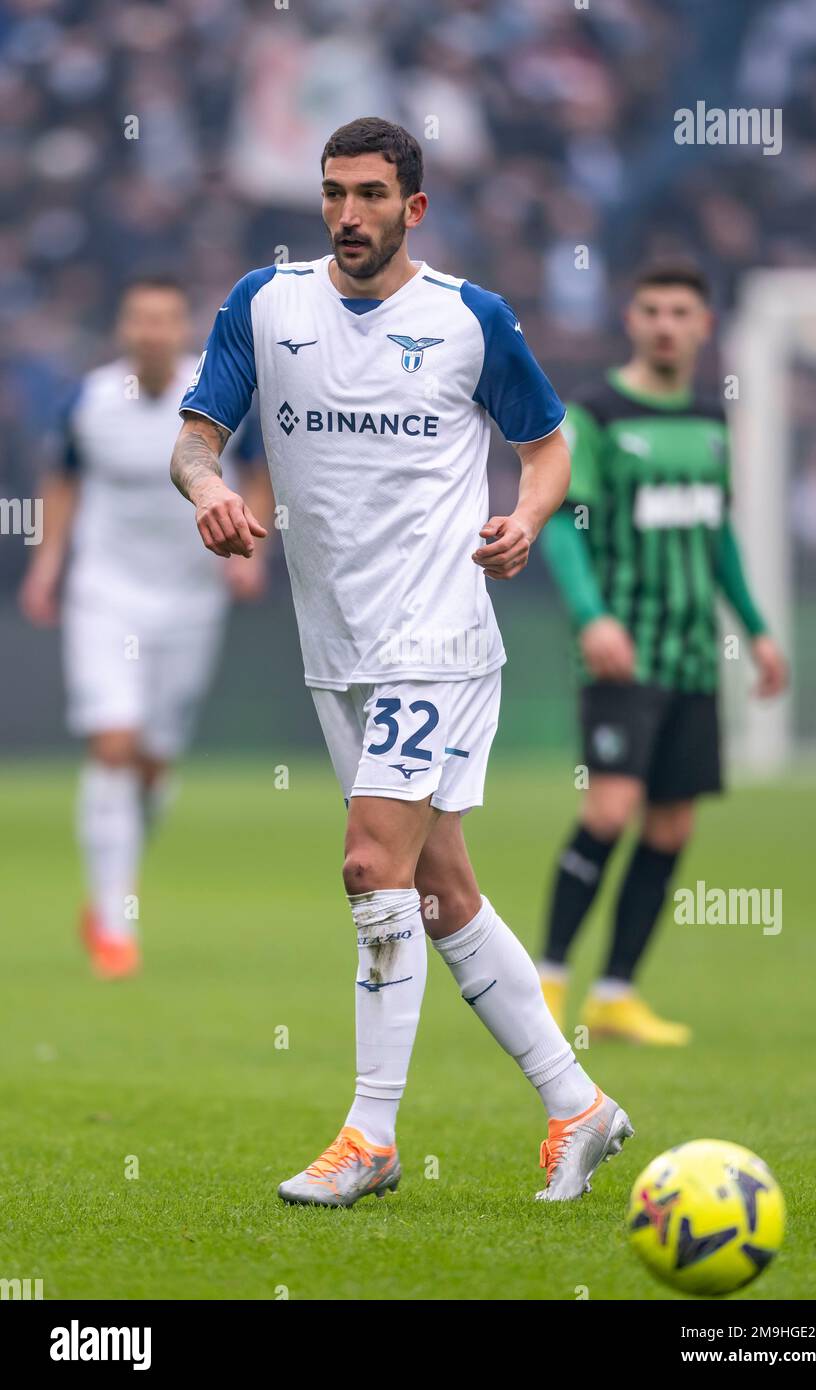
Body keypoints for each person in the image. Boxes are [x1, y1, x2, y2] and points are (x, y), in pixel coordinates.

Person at [170, 117, 633, 1206]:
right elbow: (197, 437)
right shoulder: (264, 305)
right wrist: (209, 490)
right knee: (439, 891)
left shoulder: (467, 319)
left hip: (438, 637)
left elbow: (547, 443)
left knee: (368, 866)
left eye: (370, 194)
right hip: (338, 649)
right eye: (332, 193)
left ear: (411, 208)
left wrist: (524, 516)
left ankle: (370, 1135)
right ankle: (579, 1105)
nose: (346, 215)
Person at [537, 263, 788, 1042]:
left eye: (682, 311)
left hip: (690, 658)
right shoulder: (598, 416)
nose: (667, 324)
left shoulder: (714, 420)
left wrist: (757, 628)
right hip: (624, 653)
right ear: (631, 318)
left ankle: (615, 995)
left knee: (672, 825)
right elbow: (559, 522)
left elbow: (716, 538)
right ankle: (545, 984)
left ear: (704, 325)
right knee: (609, 807)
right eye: (652, 310)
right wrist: (592, 617)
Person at [20, 277, 271, 979]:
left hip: (192, 600)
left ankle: (113, 875)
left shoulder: (219, 397)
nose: (153, 332)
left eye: (165, 319)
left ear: (181, 327)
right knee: (114, 742)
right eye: (140, 319)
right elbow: (63, 482)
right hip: (106, 595)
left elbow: (258, 475)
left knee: (154, 763)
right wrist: (48, 567)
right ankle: (112, 917)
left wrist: (255, 554)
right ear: (124, 328)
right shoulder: (90, 401)